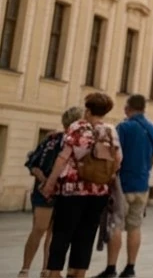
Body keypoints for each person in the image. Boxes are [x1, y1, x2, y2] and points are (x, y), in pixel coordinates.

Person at [41, 92, 122, 278]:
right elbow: (118, 160)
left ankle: (54, 272)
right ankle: (80, 273)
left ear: (87, 110)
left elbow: (63, 157)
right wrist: (106, 178)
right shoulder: (110, 131)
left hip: (72, 190)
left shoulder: (78, 127)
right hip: (98, 192)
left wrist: (50, 183)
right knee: (87, 234)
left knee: (62, 232)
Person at [95, 95, 153, 278]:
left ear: (128, 108)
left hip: (122, 183)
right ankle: (130, 268)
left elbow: (114, 153)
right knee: (135, 226)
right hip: (142, 184)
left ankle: (111, 268)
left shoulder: (124, 127)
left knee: (115, 224)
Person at [21, 107, 83, 278]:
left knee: (50, 233)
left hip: (56, 192)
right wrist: (46, 181)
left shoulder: (58, 139)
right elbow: (34, 163)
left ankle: (44, 269)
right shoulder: (56, 140)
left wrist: (42, 179)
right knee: (41, 230)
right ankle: (28, 269)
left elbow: (33, 163)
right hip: (50, 192)